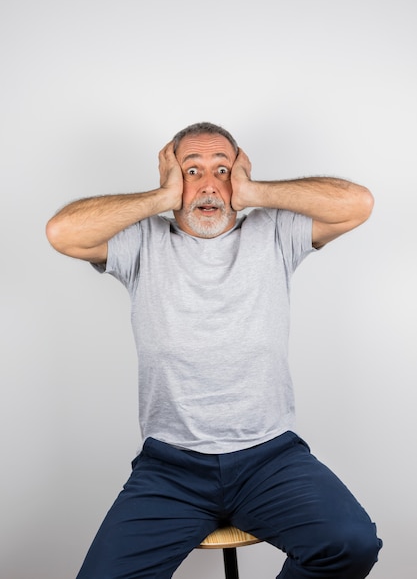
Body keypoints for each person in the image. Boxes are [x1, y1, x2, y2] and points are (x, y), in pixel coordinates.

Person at [46, 122, 382, 579]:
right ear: (170, 175)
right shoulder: (142, 241)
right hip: (171, 468)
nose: (208, 185)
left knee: (351, 543)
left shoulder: (274, 233)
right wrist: (163, 197)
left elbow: (357, 203)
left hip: (269, 457)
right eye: (192, 170)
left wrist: (254, 190)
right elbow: (62, 232)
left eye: (222, 169)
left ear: (239, 174)